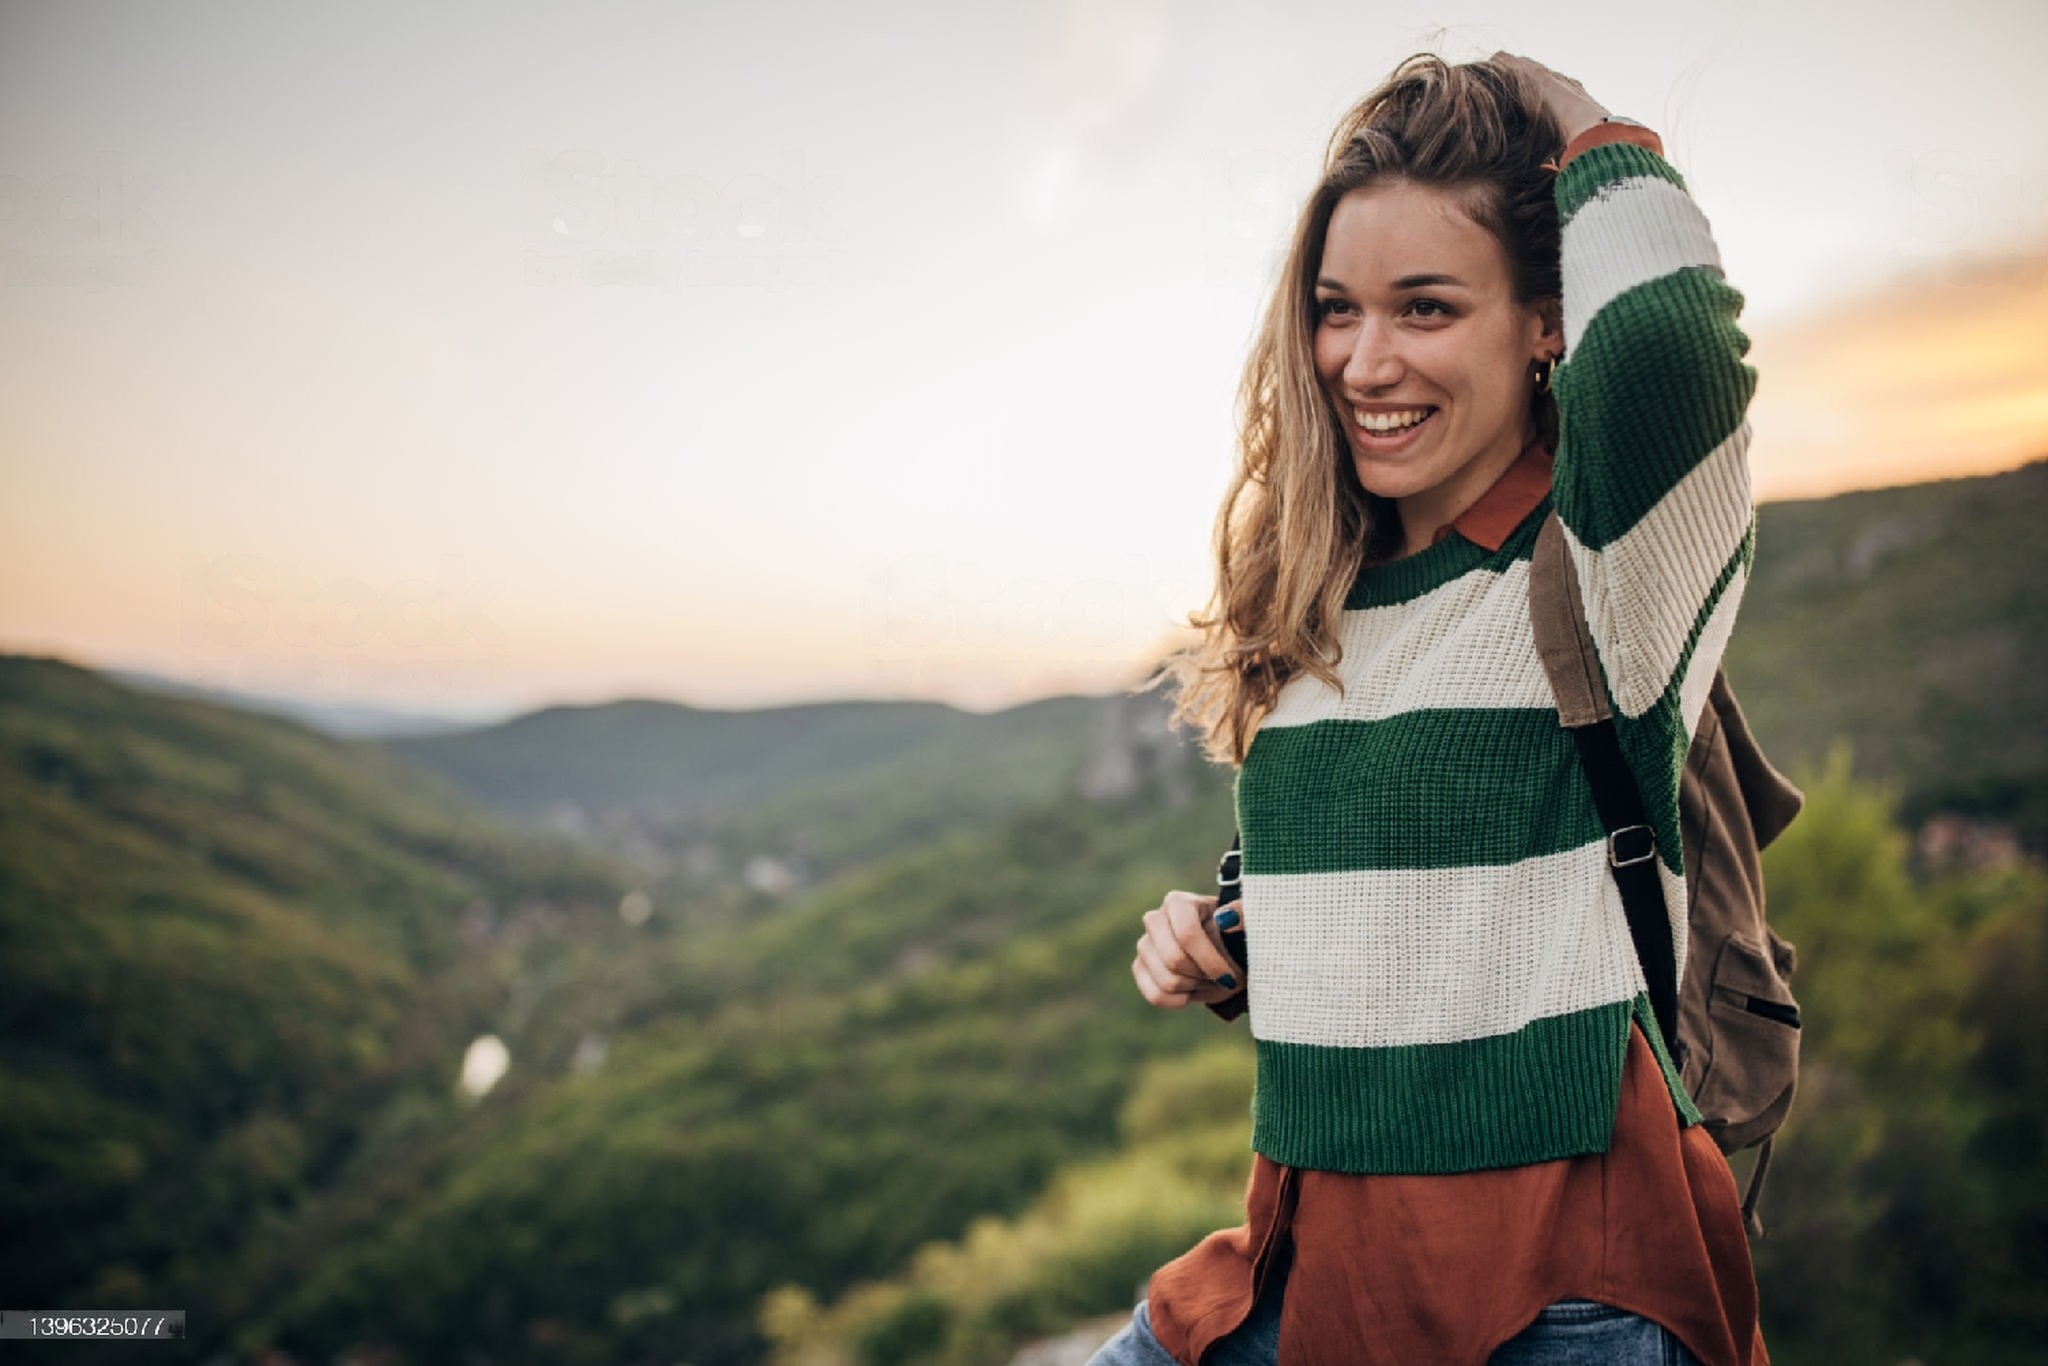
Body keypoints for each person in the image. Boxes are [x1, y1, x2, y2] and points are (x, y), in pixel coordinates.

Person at [1098, 50, 1770, 1366]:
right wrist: (1232, 939)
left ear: (1543, 324)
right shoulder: (1313, 609)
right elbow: (1430, 900)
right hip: (1304, 1276)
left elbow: (1676, 349)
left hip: (1565, 1299)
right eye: (1337, 307)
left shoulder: (1604, 570)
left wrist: (1571, 124)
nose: (1363, 359)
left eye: (1426, 307)